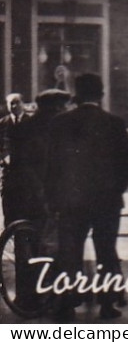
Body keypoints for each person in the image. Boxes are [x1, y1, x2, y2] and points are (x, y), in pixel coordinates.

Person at [45, 73, 128, 322]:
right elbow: (126, 164)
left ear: (77, 95)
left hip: (71, 201)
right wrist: (116, 191)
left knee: (69, 253)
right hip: (106, 201)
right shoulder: (114, 123)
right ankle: (107, 305)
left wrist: (53, 198)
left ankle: (65, 305)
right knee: (106, 252)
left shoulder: (60, 123)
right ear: (101, 95)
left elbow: (52, 165)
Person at [4, 90, 70, 318]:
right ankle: (43, 298)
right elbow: (28, 167)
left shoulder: (30, 127)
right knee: (42, 247)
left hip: (20, 197)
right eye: (61, 107)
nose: (64, 111)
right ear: (53, 109)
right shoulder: (46, 129)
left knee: (28, 249)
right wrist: (45, 194)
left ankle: (31, 298)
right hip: (29, 198)